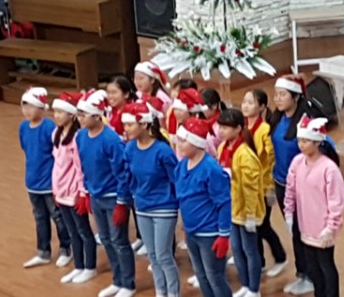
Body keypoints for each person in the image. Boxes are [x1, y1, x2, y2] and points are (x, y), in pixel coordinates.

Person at [75, 89, 135, 297]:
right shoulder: (81, 136)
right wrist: (85, 192)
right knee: (107, 240)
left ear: (96, 115)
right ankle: (117, 280)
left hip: (113, 198)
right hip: (96, 196)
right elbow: (84, 167)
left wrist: (122, 202)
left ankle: (128, 283)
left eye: (83, 114)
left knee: (119, 241)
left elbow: (123, 173)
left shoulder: (111, 140)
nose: (79, 118)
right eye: (78, 114)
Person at [122, 102, 180, 297]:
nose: (126, 129)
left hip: (164, 208)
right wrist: (135, 194)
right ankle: (160, 292)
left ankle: (173, 293)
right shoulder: (130, 149)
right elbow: (129, 176)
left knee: (164, 255)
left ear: (144, 124)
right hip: (142, 207)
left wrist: (175, 202)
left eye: (130, 124)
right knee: (153, 255)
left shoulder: (163, 150)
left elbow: (175, 179)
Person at [285, 117, 344, 297]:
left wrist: (331, 227)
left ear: (317, 142)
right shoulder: (297, 162)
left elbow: (336, 201)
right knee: (313, 268)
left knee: (326, 266)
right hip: (306, 226)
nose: (301, 145)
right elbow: (290, 189)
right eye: (299, 141)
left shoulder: (329, 168)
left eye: (305, 141)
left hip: (323, 228)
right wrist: (289, 213)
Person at [175, 117, 233, 297]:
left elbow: (224, 203)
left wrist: (223, 235)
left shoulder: (211, 169)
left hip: (209, 234)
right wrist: (186, 227)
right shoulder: (182, 166)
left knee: (214, 277)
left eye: (183, 140)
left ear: (196, 142)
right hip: (192, 232)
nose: (179, 144)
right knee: (201, 276)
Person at [269, 75, 314, 296]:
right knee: (294, 231)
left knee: (304, 232)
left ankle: (310, 276)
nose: (278, 99)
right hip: (280, 183)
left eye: (283, 94)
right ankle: (302, 273)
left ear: (295, 97)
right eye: (276, 94)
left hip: (300, 187)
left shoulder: (305, 123)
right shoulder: (276, 119)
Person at [18, 87, 72, 269]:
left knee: (58, 216)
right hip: (32, 182)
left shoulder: (49, 127)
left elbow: (58, 152)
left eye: (31, 106)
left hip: (49, 183)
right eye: (24, 106)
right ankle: (43, 251)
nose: (27, 110)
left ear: (41, 108)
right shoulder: (23, 127)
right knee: (40, 217)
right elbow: (25, 148)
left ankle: (66, 248)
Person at [216, 109, 264, 297]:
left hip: (245, 210)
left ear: (237, 129)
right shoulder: (222, 148)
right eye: (220, 127)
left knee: (250, 250)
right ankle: (244, 284)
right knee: (236, 249)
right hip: (231, 208)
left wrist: (250, 214)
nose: (221, 131)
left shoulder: (245, 154)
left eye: (225, 127)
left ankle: (254, 289)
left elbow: (250, 188)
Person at [51, 92, 98, 284]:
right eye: (55, 112)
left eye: (60, 112)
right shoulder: (56, 134)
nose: (56, 116)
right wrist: (55, 189)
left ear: (72, 114)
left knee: (83, 231)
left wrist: (82, 192)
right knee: (72, 231)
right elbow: (57, 165)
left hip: (74, 193)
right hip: (61, 191)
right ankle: (78, 266)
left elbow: (80, 168)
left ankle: (90, 267)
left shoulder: (77, 138)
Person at [241, 89, 287, 278]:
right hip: (246, 185)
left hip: (262, 185)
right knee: (250, 226)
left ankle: (280, 257)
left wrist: (269, 188)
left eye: (250, 102)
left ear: (261, 107)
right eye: (244, 101)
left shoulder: (265, 130)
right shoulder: (242, 126)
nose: (245, 106)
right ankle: (258, 262)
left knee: (262, 225)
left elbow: (270, 160)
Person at [201, 87, 227, 158]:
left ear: (214, 105)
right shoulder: (203, 122)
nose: (201, 110)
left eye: (203, 106)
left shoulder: (221, 125)